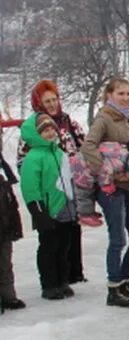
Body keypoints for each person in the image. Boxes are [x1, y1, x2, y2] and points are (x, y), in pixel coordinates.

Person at [82, 79, 129, 307]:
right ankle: (113, 288)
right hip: (110, 188)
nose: (126, 98)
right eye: (121, 93)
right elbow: (88, 146)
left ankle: (124, 280)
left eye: (128, 93)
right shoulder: (104, 118)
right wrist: (107, 172)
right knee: (117, 239)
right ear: (109, 95)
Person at [17, 80, 87, 284]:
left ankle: (72, 274)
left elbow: (84, 146)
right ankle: (51, 281)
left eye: (54, 99)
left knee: (70, 234)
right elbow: (23, 164)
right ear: (38, 102)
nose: (52, 103)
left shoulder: (69, 122)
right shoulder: (31, 129)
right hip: (49, 191)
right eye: (47, 100)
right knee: (51, 241)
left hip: (70, 187)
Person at [20, 114, 79, 301]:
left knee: (64, 247)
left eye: (52, 129)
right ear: (37, 134)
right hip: (48, 209)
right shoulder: (34, 157)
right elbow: (30, 187)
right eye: (45, 130)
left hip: (65, 208)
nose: (50, 133)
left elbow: (69, 181)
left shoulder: (60, 153)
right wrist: (38, 211)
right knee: (49, 247)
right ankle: (49, 284)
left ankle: (63, 281)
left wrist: (75, 205)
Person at [69, 143, 129, 226]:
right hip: (82, 166)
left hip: (89, 160)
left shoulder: (125, 154)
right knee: (84, 191)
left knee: (90, 190)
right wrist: (107, 185)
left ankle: (90, 212)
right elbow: (104, 170)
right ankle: (85, 215)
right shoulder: (118, 162)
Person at [0, 146, 24, 312]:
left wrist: (15, 227)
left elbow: (12, 207)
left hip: (4, 230)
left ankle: (9, 297)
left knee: (5, 264)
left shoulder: (3, 184)